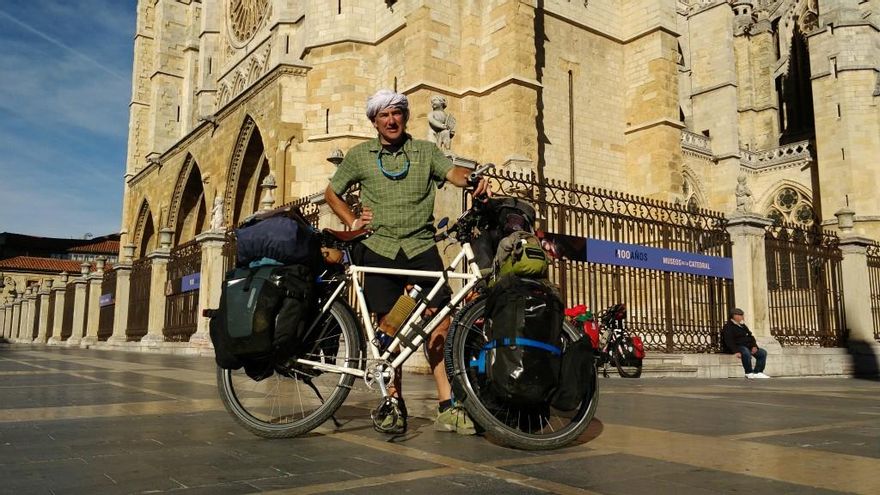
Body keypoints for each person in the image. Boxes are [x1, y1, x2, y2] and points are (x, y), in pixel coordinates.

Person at [324, 89, 490, 435]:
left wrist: (472, 180)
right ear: (374, 121)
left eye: (397, 113)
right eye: (384, 115)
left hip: (419, 248)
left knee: (440, 323)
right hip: (379, 248)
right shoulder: (359, 156)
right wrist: (352, 219)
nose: (391, 119)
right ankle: (393, 403)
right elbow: (332, 193)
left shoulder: (425, 151)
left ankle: (447, 404)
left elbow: (452, 173)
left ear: (405, 117)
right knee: (390, 328)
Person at [722, 308, 770, 379]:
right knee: (745, 351)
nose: (742, 317)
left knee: (762, 353)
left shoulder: (743, 326)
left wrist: (754, 346)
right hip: (738, 347)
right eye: (741, 315)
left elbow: (751, 336)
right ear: (735, 316)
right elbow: (729, 341)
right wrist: (735, 351)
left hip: (748, 346)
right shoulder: (728, 326)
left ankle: (758, 372)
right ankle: (749, 372)